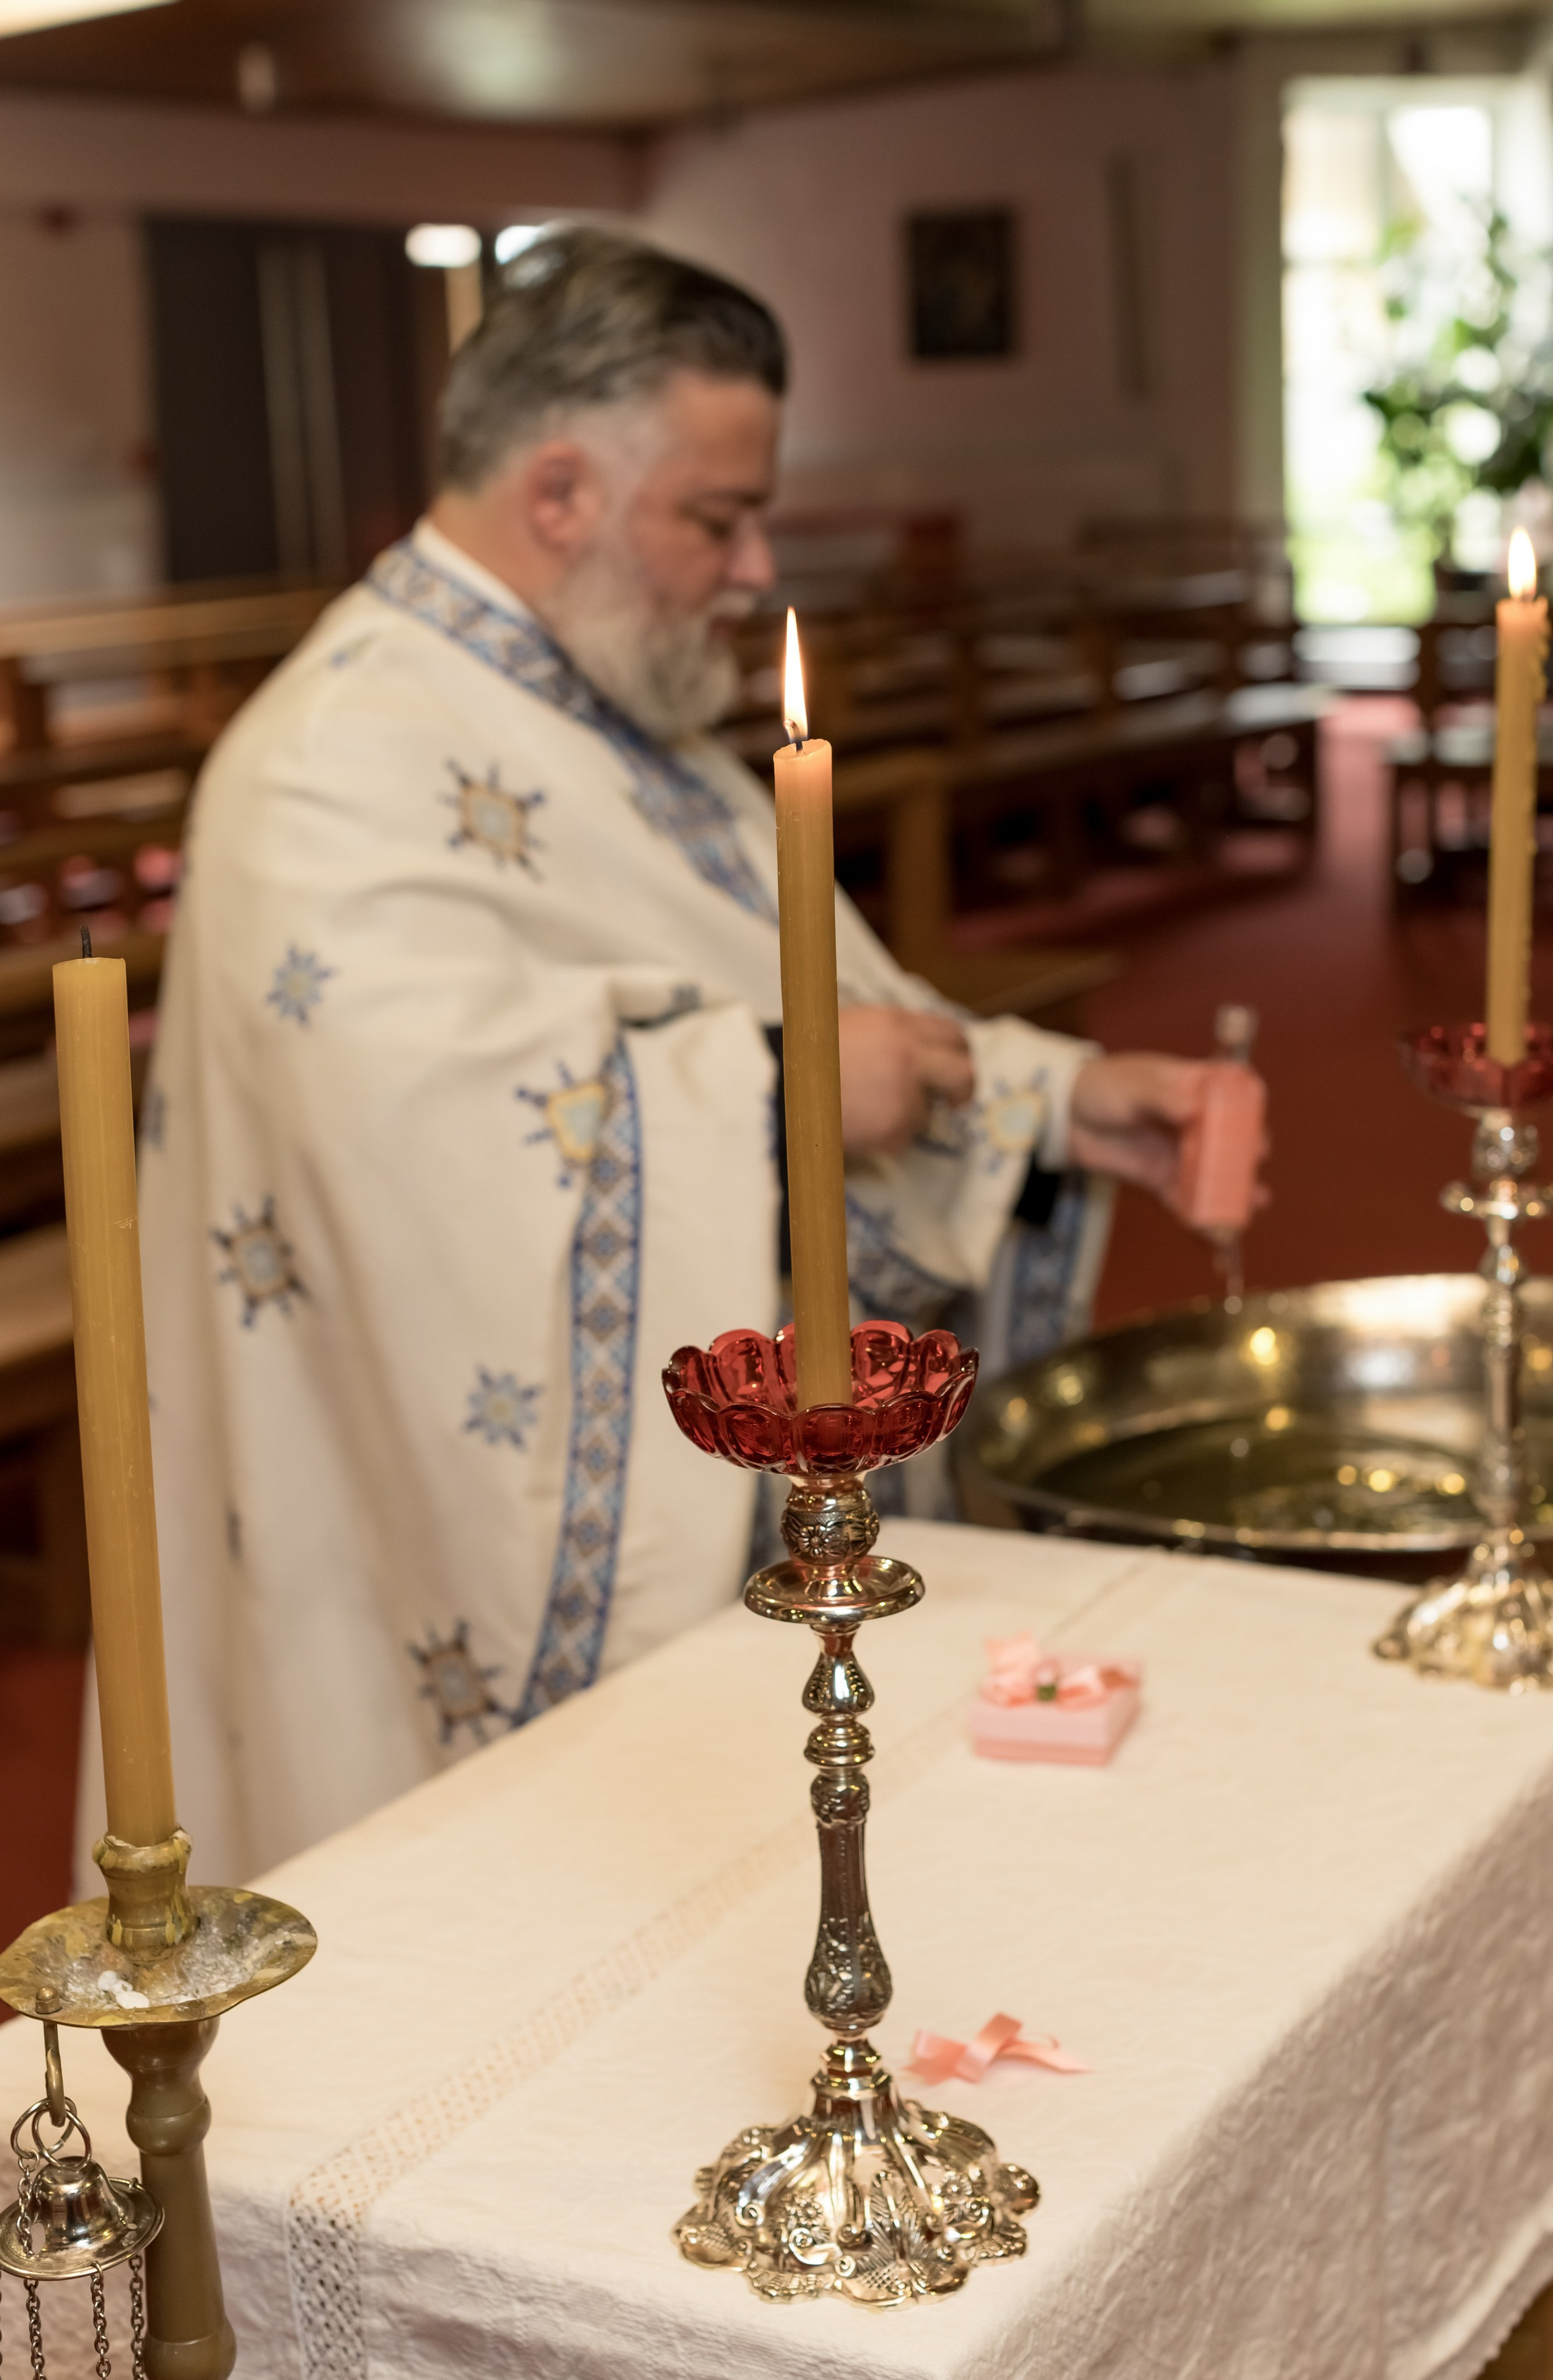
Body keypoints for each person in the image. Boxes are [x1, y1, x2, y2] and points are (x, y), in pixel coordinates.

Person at [112, 227, 1235, 1882]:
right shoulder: (331, 759)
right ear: (560, 493)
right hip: (428, 1576)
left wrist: (1060, 1096)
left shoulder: (592, 703)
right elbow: (423, 1158)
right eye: (717, 516)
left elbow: (797, 994)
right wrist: (781, 1098)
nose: (752, 561)